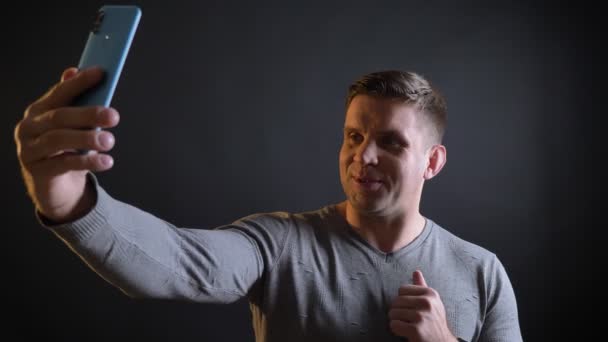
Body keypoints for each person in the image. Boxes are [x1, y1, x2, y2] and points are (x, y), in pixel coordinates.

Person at [14, 67, 523, 342]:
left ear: (432, 162)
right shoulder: (280, 245)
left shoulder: (482, 272)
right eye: (353, 135)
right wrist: (68, 199)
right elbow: (175, 264)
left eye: (390, 142)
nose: (362, 156)